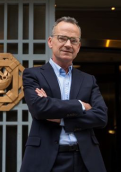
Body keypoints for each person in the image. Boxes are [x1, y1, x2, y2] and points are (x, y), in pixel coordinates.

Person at [20, 16, 107, 172]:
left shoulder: (88, 80)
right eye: (62, 38)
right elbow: (39, 109)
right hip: (45, 159)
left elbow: (101, 116)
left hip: (85, 159)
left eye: (73, 41)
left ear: (79, 46)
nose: (68, 44)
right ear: (50, 41)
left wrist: (62, 120)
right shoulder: (32, 75)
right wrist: (80, 105)